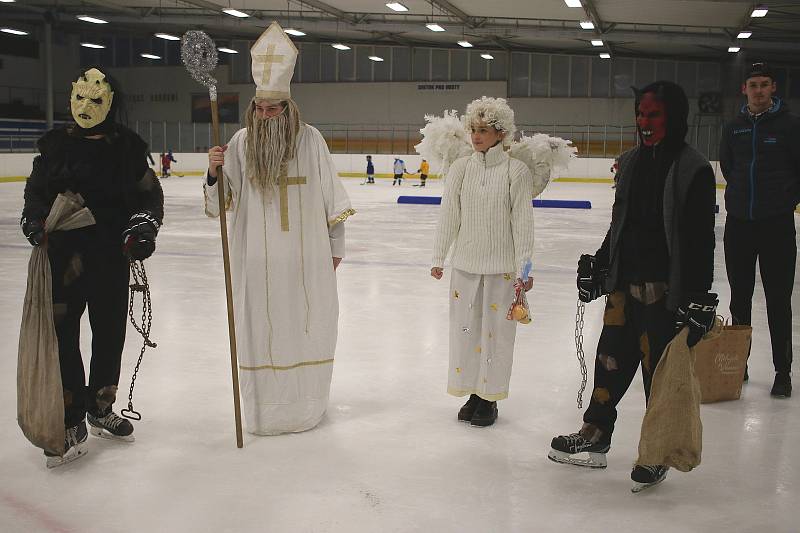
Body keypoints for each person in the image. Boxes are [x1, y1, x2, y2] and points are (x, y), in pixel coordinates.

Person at [548, 81, 717, 492]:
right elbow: (619, 226)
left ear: (674, 117)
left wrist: (697, 297)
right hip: (626, 287)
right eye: (640, 113)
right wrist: (601, 265)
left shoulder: (694, 169)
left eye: (653, 114)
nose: (644, 122)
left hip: (668, 292)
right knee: (611, 360)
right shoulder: (631, 163)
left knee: (658, 375)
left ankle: (656, 452)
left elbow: (700, 239)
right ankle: (595, 433)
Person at [204, 22, 354, 435]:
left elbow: (332, 200)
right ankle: (264, 410)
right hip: (255, 260)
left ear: (288, 108)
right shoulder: (238, 145)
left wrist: (335, 247)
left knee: (305, 323)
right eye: (261, 109)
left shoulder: (311, 141)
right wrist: (215, 174)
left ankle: (305, 406)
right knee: (260, 328)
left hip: (306, 260)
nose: (266, 116)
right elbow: (220, 205)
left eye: (274, 109)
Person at [20, 67, 164, 467]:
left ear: (112, 103)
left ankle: (100, 406)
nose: (85, 107)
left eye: (95, 100)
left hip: (108, 259)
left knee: (108, 334)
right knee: (63, 336)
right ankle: (69, 418)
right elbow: (35, 194)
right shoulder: (54, 149)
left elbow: (148, 197)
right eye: (79, 97)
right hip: (62, 259)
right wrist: (34, 219)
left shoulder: (128, 150)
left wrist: (142, 226)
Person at [430, 96, 535, 428]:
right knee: (466, 333)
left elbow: (523, 221)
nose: (476, 136)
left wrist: (525, 267)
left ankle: (489, 398)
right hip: (465, 268)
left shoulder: (515, 171)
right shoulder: (461, 169)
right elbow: (449, 215)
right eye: (473, 130)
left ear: (501, 133)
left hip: (501, 272)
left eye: (484, 131)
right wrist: (439, 256)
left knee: (496, 336)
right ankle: (471, 393)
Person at [719, 62, 799, 398]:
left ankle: (783, 371)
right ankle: (741, 364)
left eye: (765, 84)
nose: (759, 90)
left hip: (776, 225)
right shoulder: (733, 127)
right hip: (739, 224)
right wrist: (738, 196)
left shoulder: (791, 125)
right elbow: (728, 165)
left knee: (778, 300)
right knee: (740, 299)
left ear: (774, 88)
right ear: (744, 89)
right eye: (753, 85)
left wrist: (784, 200)